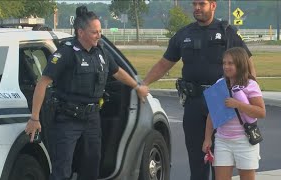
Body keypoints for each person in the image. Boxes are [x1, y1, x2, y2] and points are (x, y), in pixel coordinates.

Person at [25, 6, 149, 180]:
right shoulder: (66, 52)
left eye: (100, 31)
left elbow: (117, 71)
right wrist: (35, 118)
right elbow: (43, 83)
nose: (99, 35)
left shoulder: (101, 52)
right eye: (94, 32)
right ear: (81, 32)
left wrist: (136, 86)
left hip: (92, 119)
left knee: (92, 165)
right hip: (67, 119)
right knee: (63, 169)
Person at [143, 0, 255, 179]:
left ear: (213, 5)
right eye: (194, 4)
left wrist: (251, 92)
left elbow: (247, 61)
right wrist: (144, 83)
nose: (196, 8)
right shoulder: (184, 34)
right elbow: (165, 63)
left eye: (201, 4)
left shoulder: (226, 32)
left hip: (221, 102)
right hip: (194, 102)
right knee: (197, 159)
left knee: (221, 161)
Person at [202, 47, 266, 180]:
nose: (226, 66)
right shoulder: (220, 83)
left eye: (230, 63)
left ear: (240, 64)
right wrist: (207, 138)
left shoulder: (250, 84)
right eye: (224, 63)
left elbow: (261, 112)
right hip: (222, 141)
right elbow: (212, 114)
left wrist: (238, 104)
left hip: (245, 141)